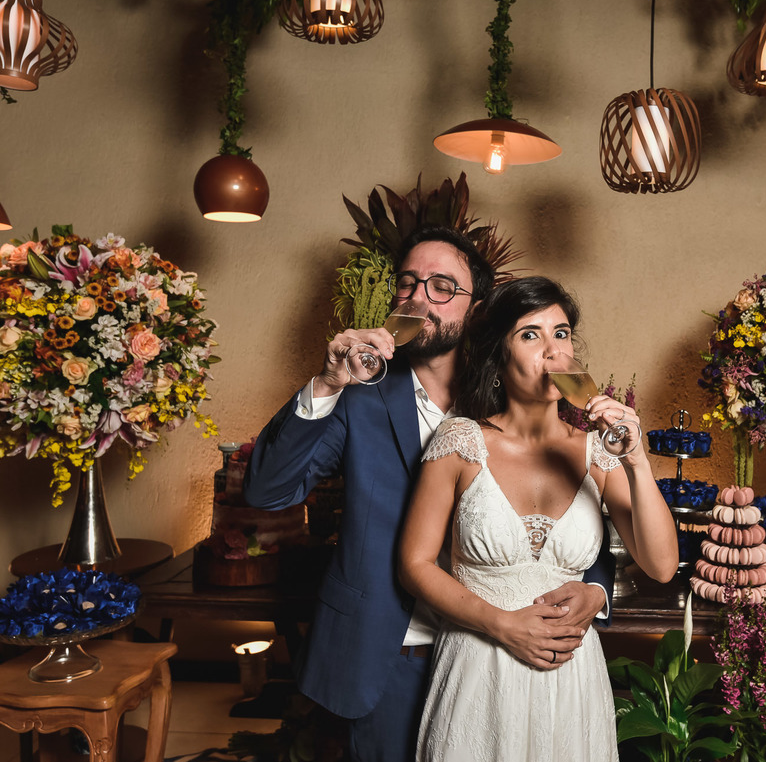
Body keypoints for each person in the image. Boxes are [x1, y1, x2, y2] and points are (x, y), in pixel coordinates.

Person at [242, 229, 615, 762]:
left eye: (443, 286)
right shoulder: (358, 395)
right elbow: (267, 490)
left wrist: (597, 590)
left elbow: (570, 515)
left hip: (505, 662)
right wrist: (326, 384)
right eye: (408, 283)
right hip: (393, 654)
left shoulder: (522, 394)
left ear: (479, 311)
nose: (419, 297)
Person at [398, 276, 679, 761]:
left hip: (570, 677)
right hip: (479, 665)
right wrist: (501, 625)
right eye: (531, 335)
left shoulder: (597, 453)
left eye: (562, 333)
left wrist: (637, 461)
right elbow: (416, 564)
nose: (553, 351)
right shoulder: (460, 441)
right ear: (499, 359)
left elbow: (661, 565)